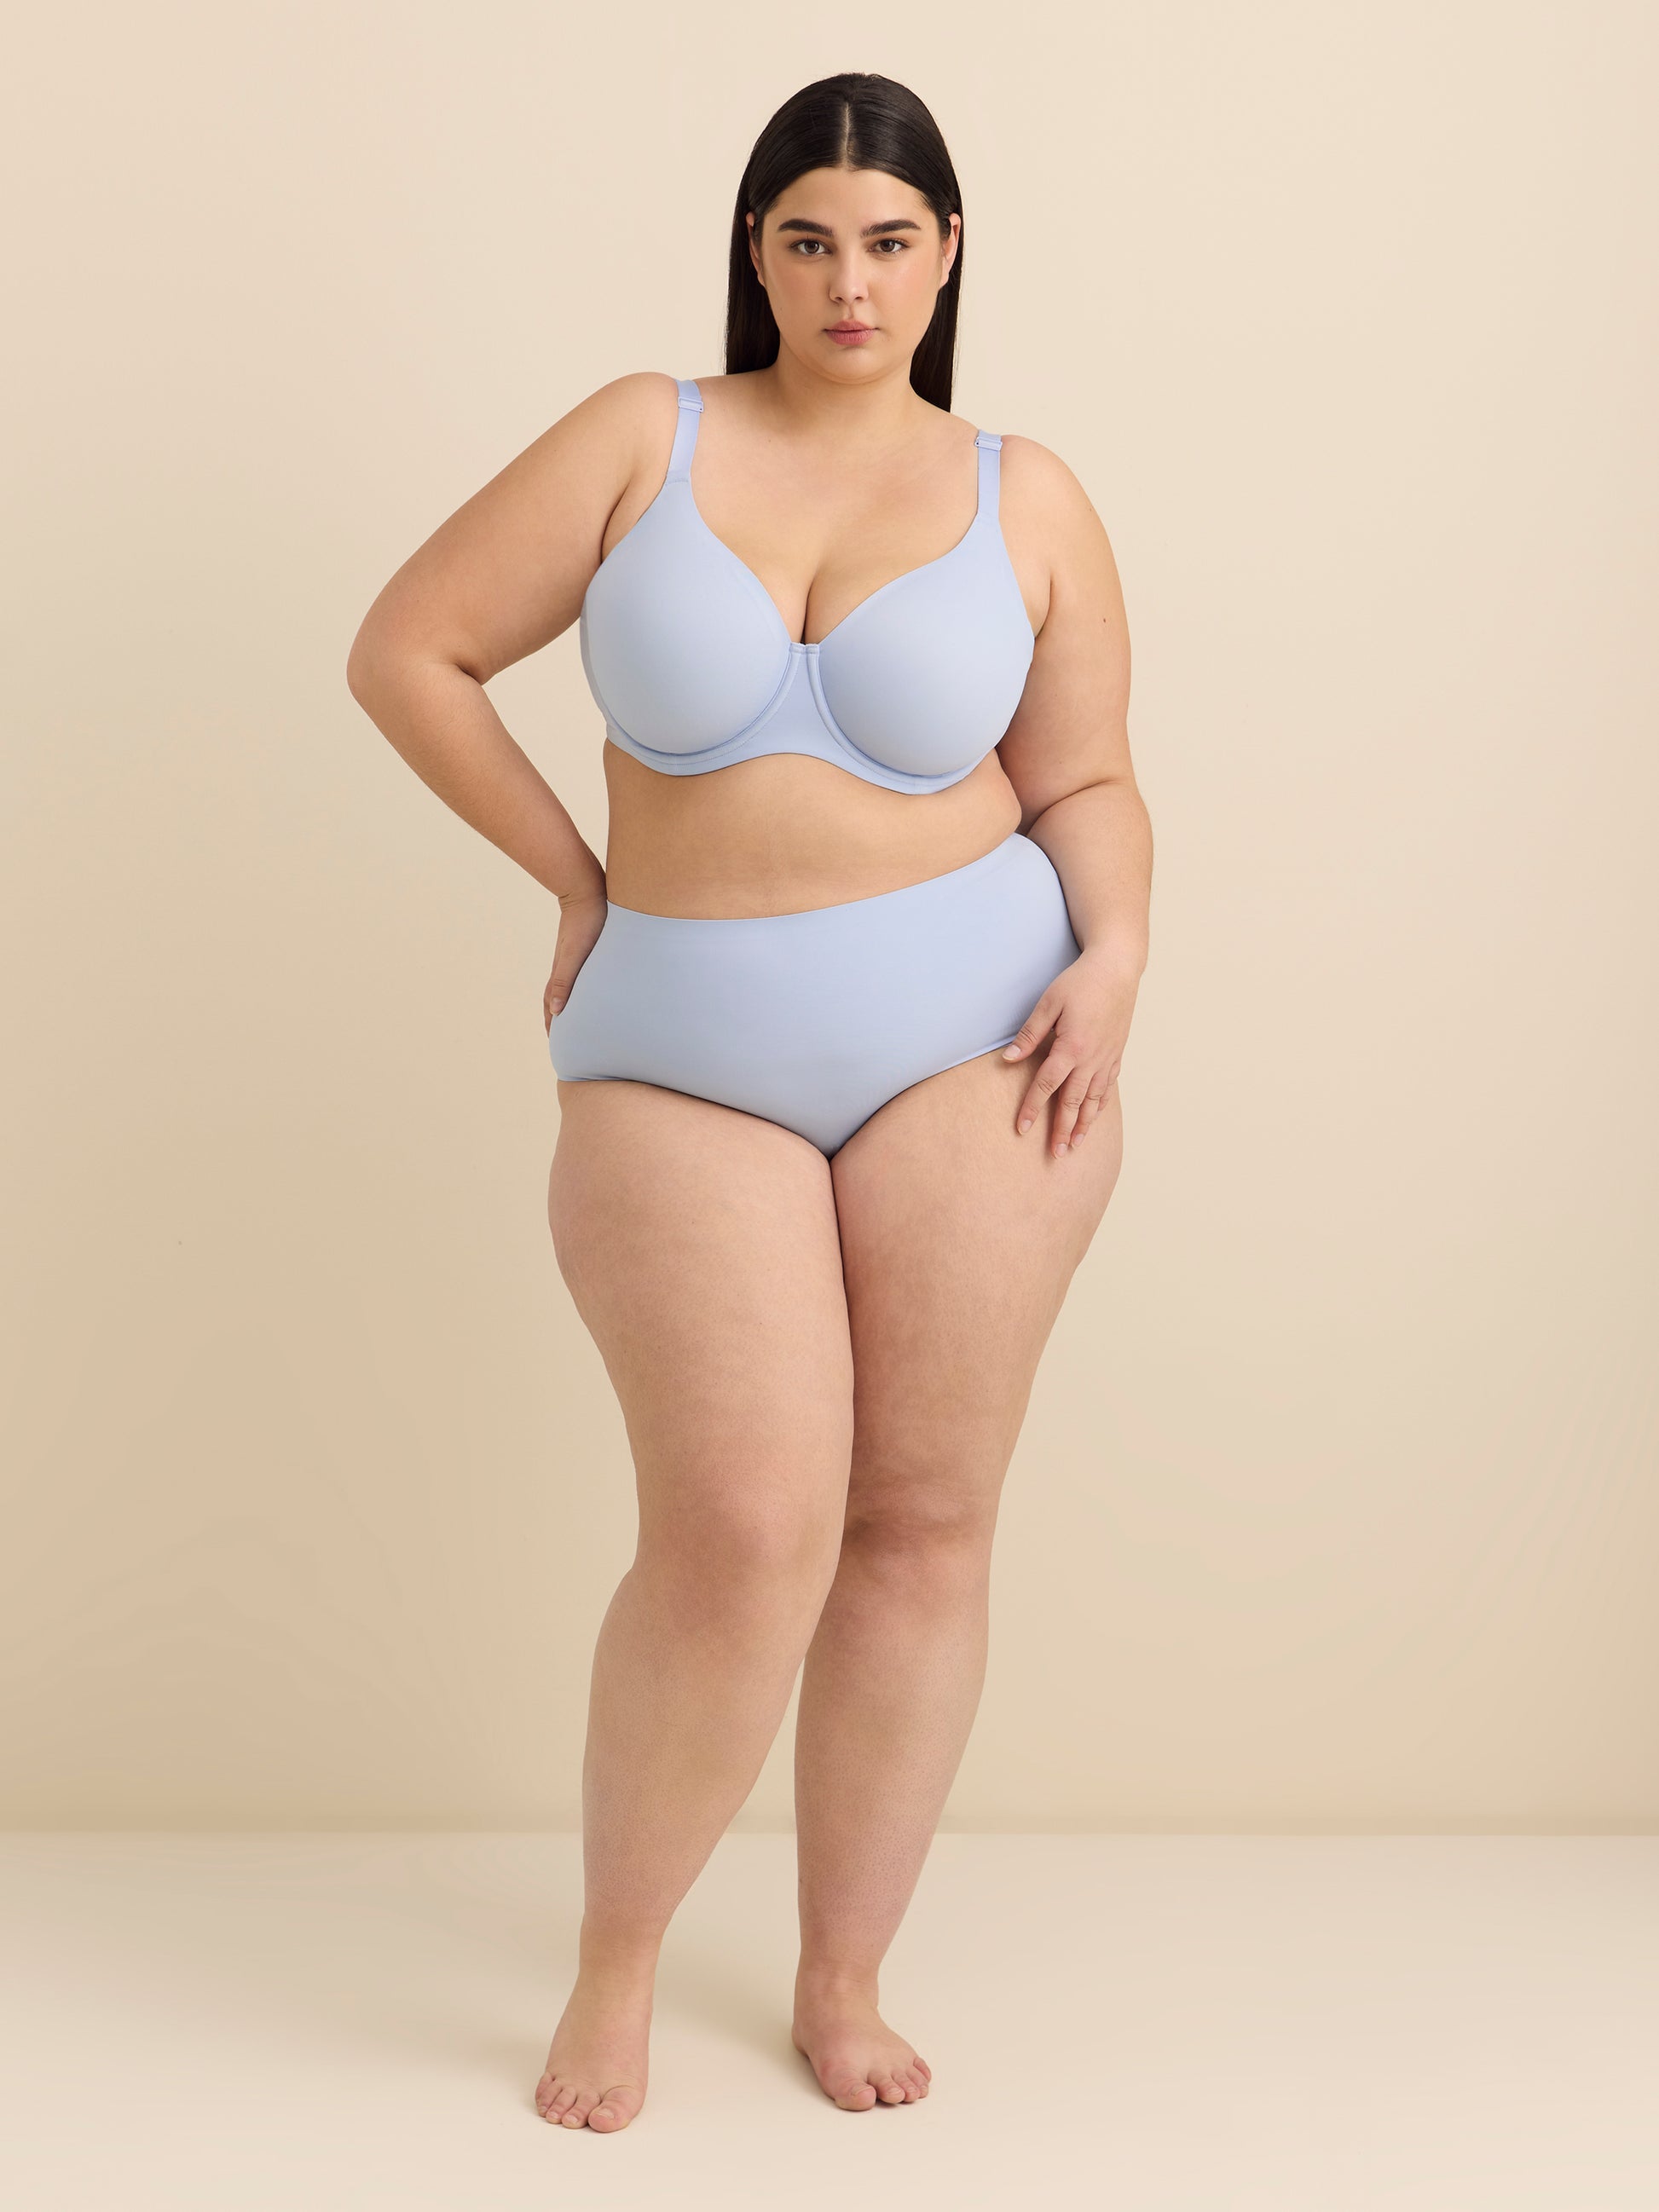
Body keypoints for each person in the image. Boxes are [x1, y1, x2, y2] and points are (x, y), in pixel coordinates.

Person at [346, 70, 1151, 2134]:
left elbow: (1082, 778)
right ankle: (618, 1959)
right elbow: (410, 647)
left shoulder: (1027, 495)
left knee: (924, 1512)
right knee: (739, 1521)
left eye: (887, 240)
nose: (847, 279)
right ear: (757, 254)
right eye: (807, 239)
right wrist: (573, 875)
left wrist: (1118, 957)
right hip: (676, 1039)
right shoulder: (647, 435)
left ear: (946, 256)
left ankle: (839, 1972)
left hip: (979, 1034)